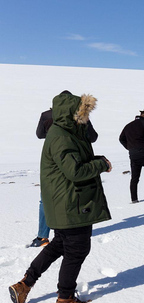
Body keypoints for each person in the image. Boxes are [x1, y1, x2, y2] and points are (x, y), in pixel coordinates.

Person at [9, 91, 112, 303]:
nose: (86, 117)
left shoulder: (66, 131)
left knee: (59, 245)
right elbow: (74, 170)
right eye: (83, 112)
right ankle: (65, 297)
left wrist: (96, 159)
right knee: (77, 250)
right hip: (71, 202)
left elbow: (75, 160)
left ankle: (25, 284)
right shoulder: (62, 136)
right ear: (72, 113)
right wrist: (101, 165)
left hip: (66, 201)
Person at [30, 93, 98, 247]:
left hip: (52, 160)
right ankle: (71, 230)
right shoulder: (79, 115)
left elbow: (39, 134)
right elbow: (93, 137)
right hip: (75, 157)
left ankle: (43, 236)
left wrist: (51, 132)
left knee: (46, 199)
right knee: (75, 195)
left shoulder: (46, 115)